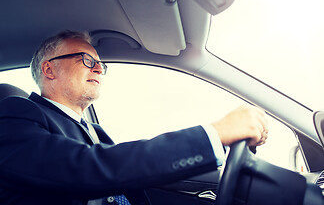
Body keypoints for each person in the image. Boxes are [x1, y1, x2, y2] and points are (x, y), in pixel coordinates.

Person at [0, 30, 268, 205]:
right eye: (87, 60)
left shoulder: (95, 130)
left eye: (100, 64)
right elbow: (90, 168)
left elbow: (127, 173)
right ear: (49, 69)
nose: (99, 70)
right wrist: (213, 134)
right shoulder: (17, 114)